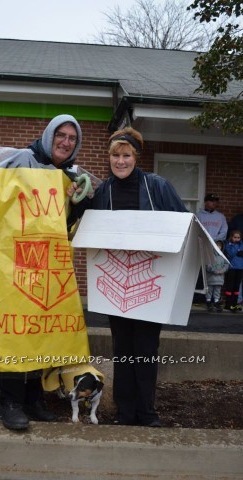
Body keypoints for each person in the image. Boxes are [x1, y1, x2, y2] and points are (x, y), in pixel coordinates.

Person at [68, 127, 187, 427]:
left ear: (136, 156)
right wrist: (77, 200)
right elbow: (83, 224)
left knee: (145, 348)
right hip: (114, 282)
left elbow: (182, 223)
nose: (120, 161)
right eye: (115, 155)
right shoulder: (103, 190)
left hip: (150, 281)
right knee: (122, 349)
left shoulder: (156, 186)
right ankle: (126, 412)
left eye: (126, 155)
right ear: (108, 157)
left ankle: (147, 412)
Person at [0, 114, 83, 430]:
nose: (65, 142)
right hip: (10, 261)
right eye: (60, 134)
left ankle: (34, 399)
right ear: (49, 135)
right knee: (12, 332)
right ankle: (10, 400)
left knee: (41, 332)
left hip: (48, 266)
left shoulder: (70, 176)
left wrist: (79, 202)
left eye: (72, 138)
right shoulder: (21, 160)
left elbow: (67, 225)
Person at [205, 240, 229, 312]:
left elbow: (226, 264)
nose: (218, 247)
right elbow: (208, 265)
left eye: (220, 245)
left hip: (220, 278)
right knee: (209, 291)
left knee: (217, 291)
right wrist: (215, 271)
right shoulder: (210, 255)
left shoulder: (223, 256)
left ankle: (216, 303)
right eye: (217, 245)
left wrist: (222, 270)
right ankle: (208, 302)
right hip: (211, 277)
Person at [224, 230, 243, 312]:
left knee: (237, 286)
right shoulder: (228, 244)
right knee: (230, 286)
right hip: (232, 268)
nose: (236, 239)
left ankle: (234, 304)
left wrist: (239, 249)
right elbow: (231, 253)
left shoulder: (242, 244)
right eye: (235, 237)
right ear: (232, 237)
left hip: (240, 268)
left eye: (238, 237)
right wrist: (238, 250)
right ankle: (228, 304)